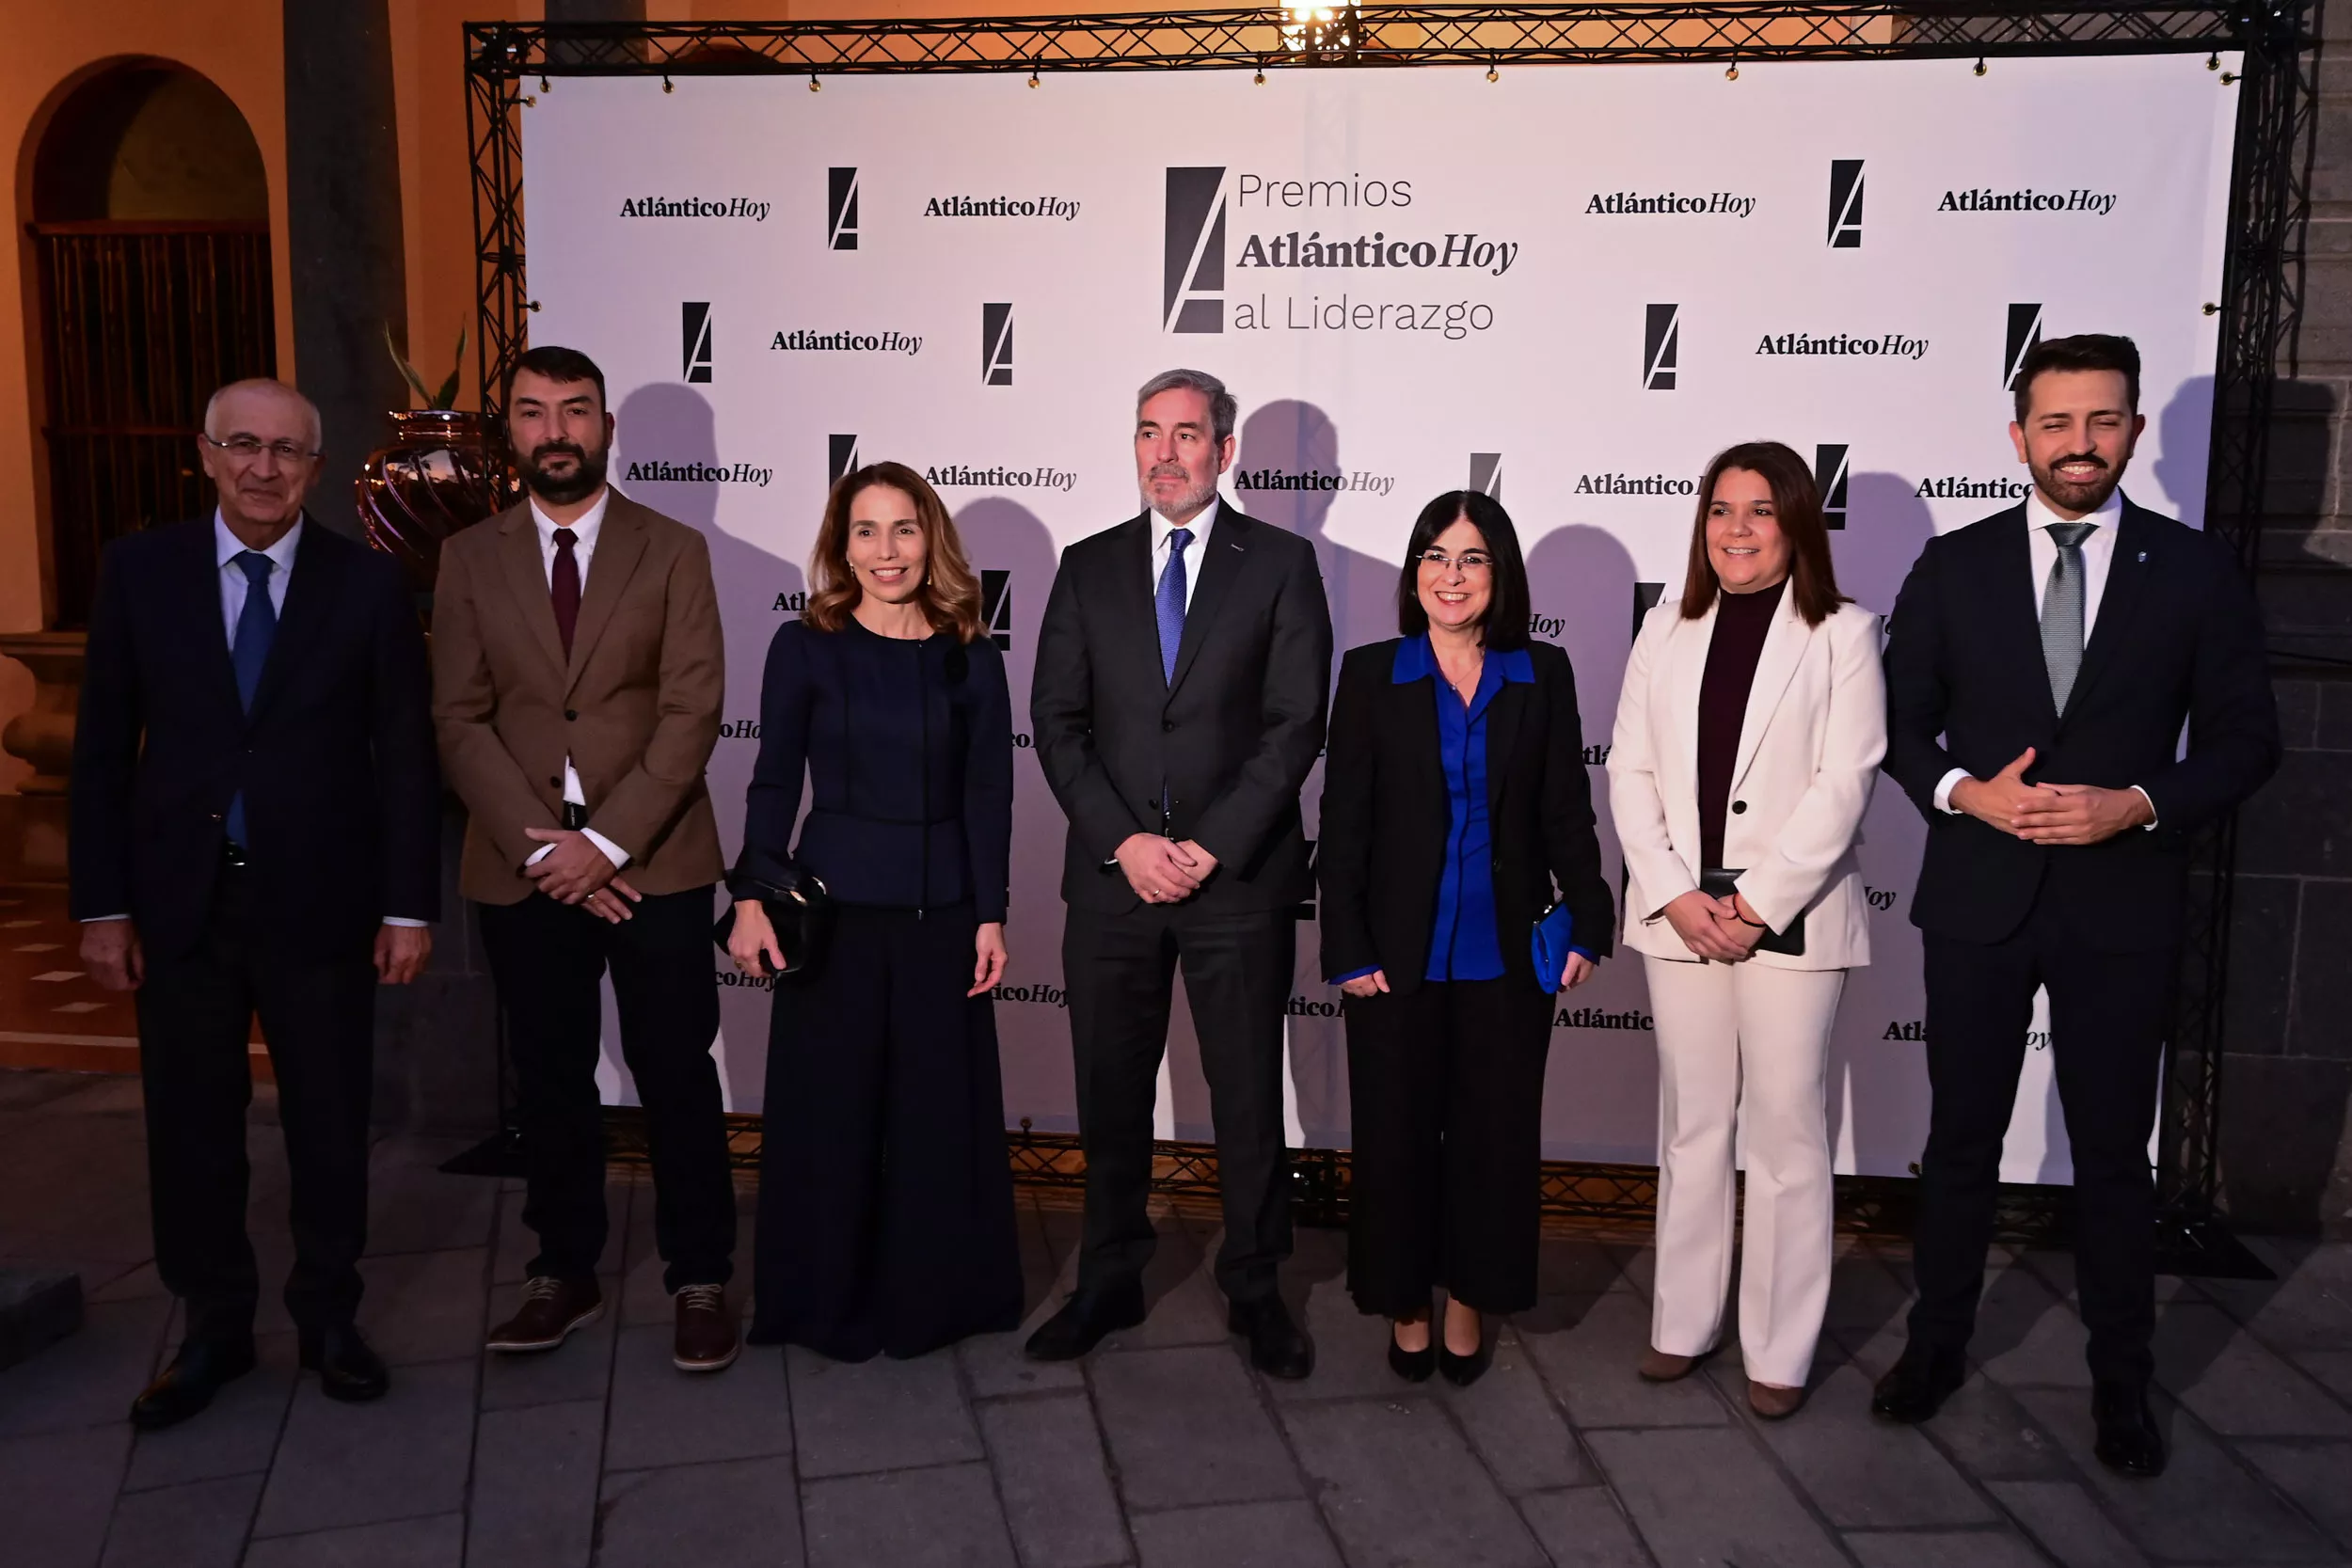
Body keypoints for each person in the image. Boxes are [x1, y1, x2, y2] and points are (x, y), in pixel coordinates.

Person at [1875, 335, 2279, 1474]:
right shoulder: (1954, 568)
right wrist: (1965, 795)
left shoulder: (2193, 570)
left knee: (2110, 1156)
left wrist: (2139, 802)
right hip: (1977, 898)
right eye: (2056, 423)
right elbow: (1899, 729)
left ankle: (2122, 1385)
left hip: (2121, 904)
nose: (2079, 443)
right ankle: (1933, 1346)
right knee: (1958, 1142)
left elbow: (2251, 739)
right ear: (2018, 438)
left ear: (2134, 432)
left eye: (2102, 421)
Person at [71, 379, 439, 1428]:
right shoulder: (139, 572)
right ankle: (213, 1326)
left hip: (321, 904)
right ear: (207, 454)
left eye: (288, 451)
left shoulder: (366, 585)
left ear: (317, 469)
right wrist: (101, 906)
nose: (265, 467)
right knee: (192, 1124)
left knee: (329, 1120)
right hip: (177, 903)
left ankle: (330, 1316)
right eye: (245, 445)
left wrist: (407, 907)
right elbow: (100, 752)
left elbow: (404, 760)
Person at [432, 345, 740, 1374]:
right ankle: (560, 1269)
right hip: (523, 866)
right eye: (533, 412)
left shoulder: (673, 549)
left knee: (675, 1074)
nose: (555, 430)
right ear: (508, 429)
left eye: (575, 410)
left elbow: (695, 708)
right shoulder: (469, 557)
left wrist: (605, 843)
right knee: (553, 1079)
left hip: (652, 857)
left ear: (607, 427)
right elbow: (460, 718)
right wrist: (550, 849)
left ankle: (700, 1273)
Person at [1027, 369, 1333, 1376]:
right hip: (1113, 880)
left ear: (1226, 449)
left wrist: (1208, 845)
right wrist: (1126, 843)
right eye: (1148, 433)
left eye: (1187, 434)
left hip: (1235, 880)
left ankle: (1257, 1286)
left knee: (1246, 1095)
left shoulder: (1281, 564)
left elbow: (1296, 724)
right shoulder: (1086, 565)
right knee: (1109, 1091)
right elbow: (1058, 726)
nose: (1165, 452)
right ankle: (1107, 1276)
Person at [1607, 442, 1885, 1419]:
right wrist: (1678, 895)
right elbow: (1629, 773)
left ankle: (1780, 1344)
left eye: (1758, 510)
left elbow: (1843, 783)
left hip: (1791, 921)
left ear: (1796, 522)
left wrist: (1758, 903)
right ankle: (1682, 1322)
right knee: (1690, 1123)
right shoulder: (1664, 627)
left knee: (1785, 1132)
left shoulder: (1843, 633)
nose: (1734, 528)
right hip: (1679, 915)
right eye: (1719, 509)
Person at [1318, 491, 1613, 1387]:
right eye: (1436, 557)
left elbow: (1568, 809)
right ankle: (1404, 1302)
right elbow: (1344, 824)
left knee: (1492, 1142)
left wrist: (1593, 915)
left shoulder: (1543, 672)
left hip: (1505, 962)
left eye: (1473, 558)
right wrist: (1348, 946)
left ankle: (1467, 1302)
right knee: (1396, 1137)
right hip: (1393, 959)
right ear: (1415, 573)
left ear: (1502, 574)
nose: (1452, 575)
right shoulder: (1372, 674)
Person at [727, 462, 1022, 1359]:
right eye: (865, 530)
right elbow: (774, 778)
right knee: (831, 1115)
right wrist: (749, 895)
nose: (885, 550)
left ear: (930, 538)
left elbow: (989, 794)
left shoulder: (971, 652)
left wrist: (990, 914)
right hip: (833, 917)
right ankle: (823, 1301)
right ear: (839, 543)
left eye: (902, 529)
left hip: (942, 919)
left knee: (935, 1117)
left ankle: (929, 1301)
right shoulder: (805, 645)